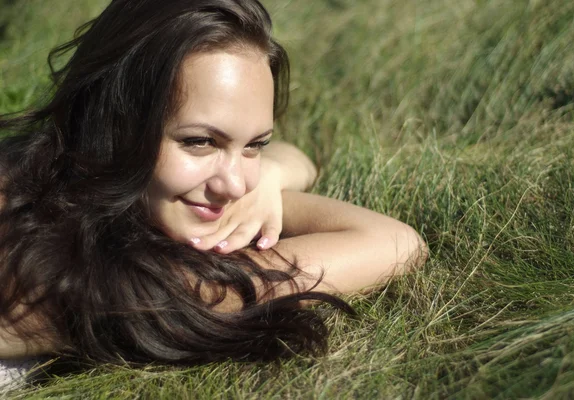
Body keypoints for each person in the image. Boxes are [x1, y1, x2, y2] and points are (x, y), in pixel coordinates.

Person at [0, 0, 427, 371]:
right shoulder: (79, 280)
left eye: (255, 145)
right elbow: (394, 243)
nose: (235, 185)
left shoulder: (44, 179)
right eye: (200, 142)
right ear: (113, 127)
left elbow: (298, 157)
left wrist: (272, 177)